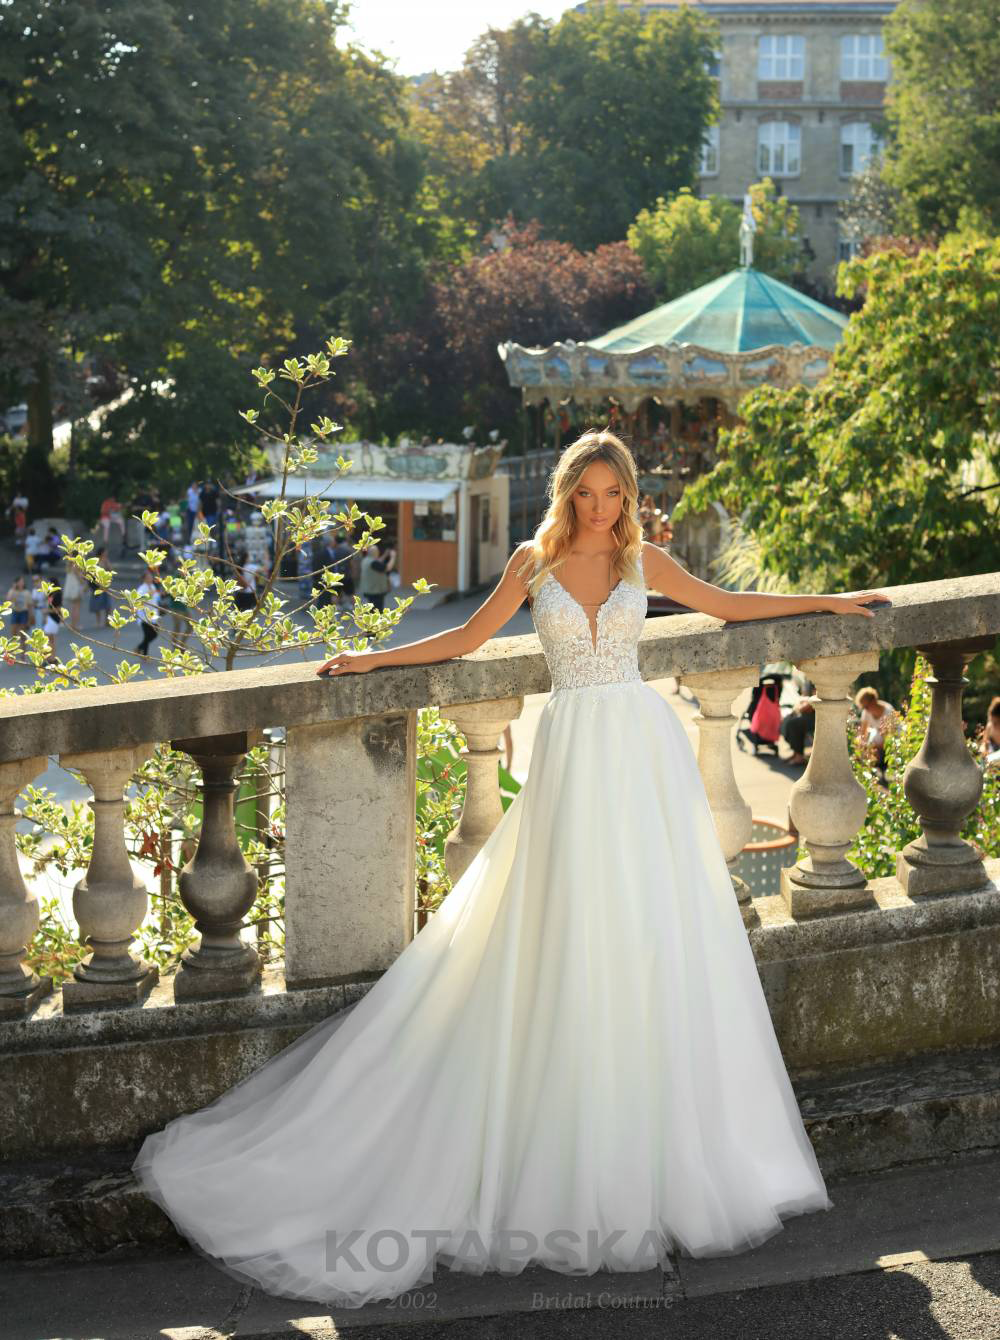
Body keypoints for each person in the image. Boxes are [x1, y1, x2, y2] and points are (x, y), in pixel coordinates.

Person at [132, 430, 889, 1308]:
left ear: (629, 496)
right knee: (562, 942)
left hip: (643, 760)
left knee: (650, 944)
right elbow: (464, 636)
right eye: (589, 493)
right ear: (568, 491)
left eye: (615, 494)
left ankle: (658, 1158)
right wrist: (376, 656)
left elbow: (729, 604)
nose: (602, 507)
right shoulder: (535, 559)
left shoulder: (648, 558)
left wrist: (834, 599)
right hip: (573, 761)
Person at [854, 686, 898, 778]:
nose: (865, 709)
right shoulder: (866, 712)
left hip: (894, 738)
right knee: (867, 742)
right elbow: (863, 733)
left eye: (866, 706)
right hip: (879, 735)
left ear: (873, 700)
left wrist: (871, 746)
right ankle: (872, 770)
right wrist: (860, 746)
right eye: (863, 708)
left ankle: (880, 770)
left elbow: (889, 739)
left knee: (874, 743)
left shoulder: (888, 711)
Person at [781, 696, 816, 767]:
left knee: (793, 724)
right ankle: (796, 753)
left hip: (818, 715)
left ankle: (799, 756)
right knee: (790, 719)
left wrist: (802, 707)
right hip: (813, 712)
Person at [134, 568, 161, 657]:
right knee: (147, 635)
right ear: (144, 578)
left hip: (153, 615)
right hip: (144, 615)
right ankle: (145, 655)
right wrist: (149, 595)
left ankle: (139, 648)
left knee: (154, 634)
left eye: (151, 576)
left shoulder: (153, 586)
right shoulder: (142, 588)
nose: (150, 578)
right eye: (148, 577)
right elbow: (139, 600)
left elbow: (156, 598)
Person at [358, 542, 389, 611]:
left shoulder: (366, 560)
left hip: (369, 589)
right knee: (376, 610)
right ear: (375, 553)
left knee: (371, 608)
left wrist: (385, 555)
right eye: (377, 551)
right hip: (375, 591)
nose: (378, 552)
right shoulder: (373, 562)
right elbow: (387, 568)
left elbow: (378, 562)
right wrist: (393, 557)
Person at [61, 561, 86, 631]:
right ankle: (75, 625)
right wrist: (83, 582)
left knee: (73, 607)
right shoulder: (76, 564)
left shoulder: (69, 563)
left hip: (71, 586)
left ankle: (73, 624)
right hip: (76, 586)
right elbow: (78, 575)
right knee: (77, 607)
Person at [7, 574, 32, 641]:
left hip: (23, 613)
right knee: (13, 632)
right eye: (19, 582)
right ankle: (13, 649)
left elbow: (30, 606)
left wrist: (29, 619)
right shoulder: (12, 591)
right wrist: (13, 588)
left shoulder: (27, 592)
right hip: (15, 612)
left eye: (22, 582)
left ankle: (23, 649)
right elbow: (8, 600)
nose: (21, 583)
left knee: (22, 633)